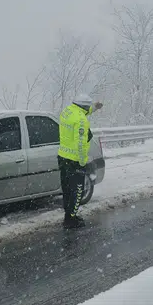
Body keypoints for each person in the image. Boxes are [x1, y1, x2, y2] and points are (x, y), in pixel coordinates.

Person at [58, 94, 103, 228]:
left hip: (63, 156)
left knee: (66, 188)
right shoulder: (81, 120)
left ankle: (68, 214)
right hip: (74, 160)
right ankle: (71, 219)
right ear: (83, 106)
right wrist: (83, 162)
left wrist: (94, 107)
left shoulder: (67, 111)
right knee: (77, 190)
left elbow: (82, 111)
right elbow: (81, 144)